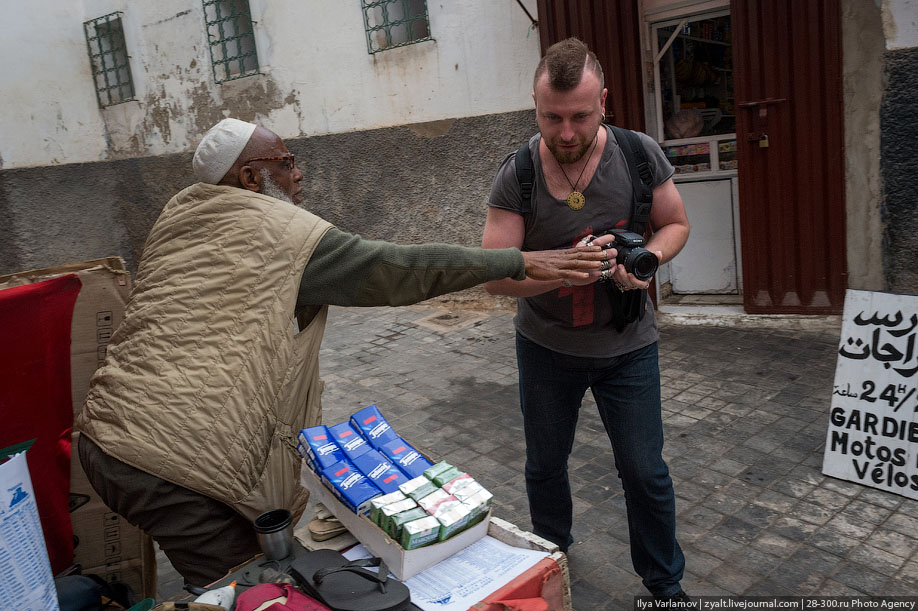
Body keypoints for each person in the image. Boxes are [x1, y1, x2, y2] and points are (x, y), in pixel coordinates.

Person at [76, 118, 609, 587]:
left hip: (105, 440)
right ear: (248, 178)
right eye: (284, 162)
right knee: (249, 588)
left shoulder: (178, 219)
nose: (298, 172)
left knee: (257, 552)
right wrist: (514, 262)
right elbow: (396, 269)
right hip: (171, 463)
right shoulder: (279, 233)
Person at [481, 38, 691, 601]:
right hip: (547, 347)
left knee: (645, 473)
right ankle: (553, 559)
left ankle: (664, 584)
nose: (566, 132)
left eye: (580, 115)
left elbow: (674, 224)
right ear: (534, 105)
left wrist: (647, 264)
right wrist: (564, 273)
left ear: (605, 101)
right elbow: (495, 275)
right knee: (545, 467)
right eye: (552, 117)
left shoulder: (639, 154)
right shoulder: (518, 174)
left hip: (628, 346)